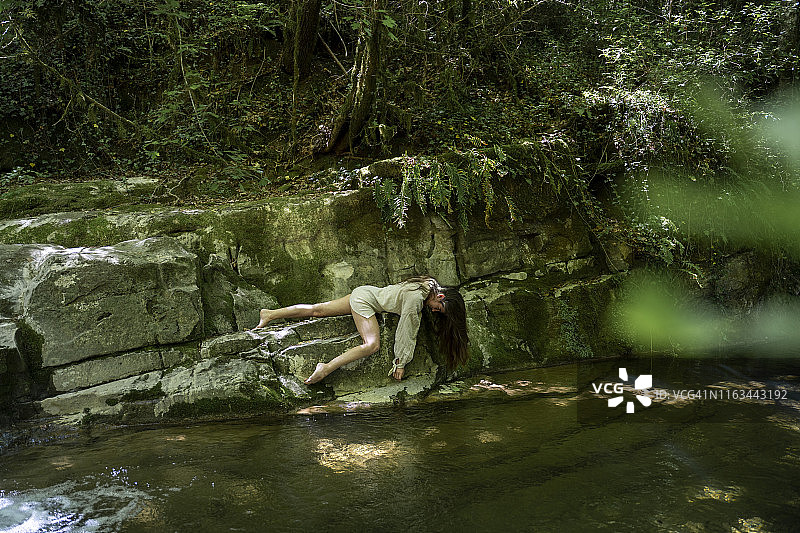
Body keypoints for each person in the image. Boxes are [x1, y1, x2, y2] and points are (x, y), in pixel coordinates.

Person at [252, 276, 469, 384]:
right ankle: (326, 368)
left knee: (318, 310)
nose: (434, 311)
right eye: (438, 308)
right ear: (440, 296)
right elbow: (407, 330)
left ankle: (269, 314)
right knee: (371, 345)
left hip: (365, 292)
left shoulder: (428, 284)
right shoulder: (415, 301)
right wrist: (400, 362)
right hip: (365, 302)